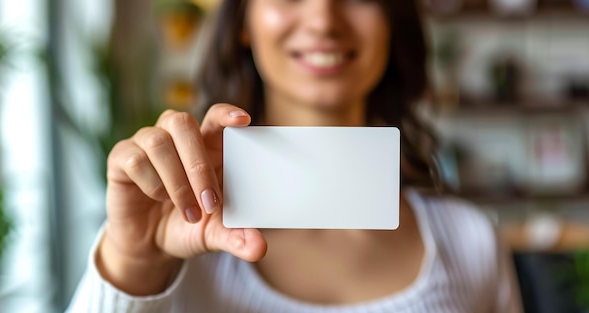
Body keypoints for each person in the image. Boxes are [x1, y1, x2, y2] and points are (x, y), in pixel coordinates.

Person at [67, 0, 523, 312]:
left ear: (392, 17)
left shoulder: (471, 241)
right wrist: (133, 264)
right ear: (244, 19)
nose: (323, 19)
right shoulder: (172, 236)